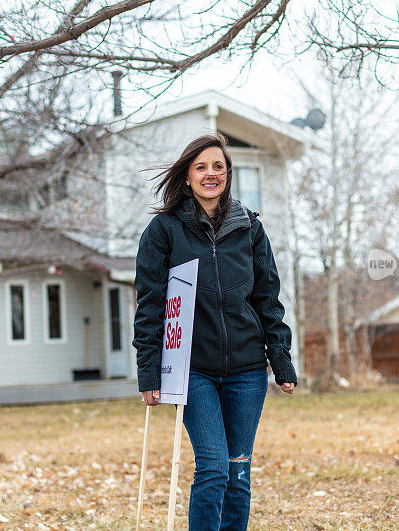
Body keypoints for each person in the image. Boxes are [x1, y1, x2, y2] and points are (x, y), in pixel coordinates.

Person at [132, 132, 298, 531]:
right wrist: (149, 371)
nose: (211, 174)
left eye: (218, 167)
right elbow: (150, 305)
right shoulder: (164, 231)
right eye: (201, 167)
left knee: (239, 473)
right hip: (194, 370)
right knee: (213, 469)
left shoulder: (250, 229)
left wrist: (281, 359)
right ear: (187, 177)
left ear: (228, 174)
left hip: (247, 370)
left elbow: (267, 299)